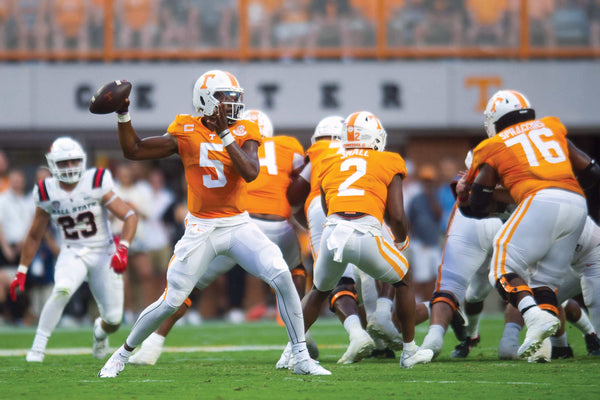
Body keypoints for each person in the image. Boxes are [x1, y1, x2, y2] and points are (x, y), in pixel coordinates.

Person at [98, 69, 328, 378]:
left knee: (281, 275)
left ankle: (300, 356)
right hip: (201, 228)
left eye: (235, 98)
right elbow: (134, 150)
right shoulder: (185, 129)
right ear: (206, 101)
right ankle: (121, 356)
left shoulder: (245, 128)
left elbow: (250, 172)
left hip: (238, 224)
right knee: (171, 300)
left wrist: (224, 135)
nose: (233, 104)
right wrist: (123, 115)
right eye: (226, 98)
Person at [127, 108, 312, 366]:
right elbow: (303, 181)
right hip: (272, 225)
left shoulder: (225, 142)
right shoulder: (286, 146)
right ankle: (299, 339)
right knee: (295, 271)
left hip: (235, 223)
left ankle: (153, 344)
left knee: (188, 288)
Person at [457, 89, 598, 359]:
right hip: (577, 205)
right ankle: (547, 331)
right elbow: (592, 172)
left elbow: (476, 205)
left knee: (500, 267)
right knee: (544, 284)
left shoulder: (494, 146)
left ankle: (535, 318)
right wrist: (564, 190)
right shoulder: (550, 127)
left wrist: (467, 190)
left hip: (543, 205)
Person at [287, 110, 433, 369]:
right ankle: (409, 350)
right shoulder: (389, 160)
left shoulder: (331, 160)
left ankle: (291, 351)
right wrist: (401, 241)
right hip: (365, 231)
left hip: (333, 232)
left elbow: (325, 203)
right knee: (403, 278)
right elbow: (397, 215)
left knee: (319, 291)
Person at [9, 136, 138, 362]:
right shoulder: (46, 191)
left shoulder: (96, 181)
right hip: (72, 251)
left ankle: (99, 333)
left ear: (82, 161)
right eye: (63, 163)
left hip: (103, 253)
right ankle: (38, 347)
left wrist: (123, 248)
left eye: (74, 162)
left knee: (114, 320)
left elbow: (129, 216)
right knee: (63, 289)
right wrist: (21, 270)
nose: (69, 167)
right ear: (52, 165)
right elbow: (34, 235)